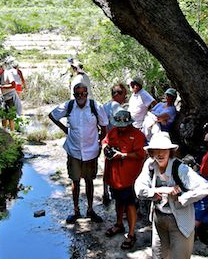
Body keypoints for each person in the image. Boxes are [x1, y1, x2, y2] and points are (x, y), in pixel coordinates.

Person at [135, 132, 208, 259]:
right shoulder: (150, 165)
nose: (160, 154)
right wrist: (160, 191)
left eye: (164, 150)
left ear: (171, 152)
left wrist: (183, 197)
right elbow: (139, 188)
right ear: (151, 152)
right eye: (156, 150)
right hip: (159, 219)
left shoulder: (180, 169)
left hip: (180, 224)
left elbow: (205, 187)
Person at [49, 83, 108, 224]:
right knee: (75, 180)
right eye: (77, 94)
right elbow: (52, 115)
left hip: (91, 151)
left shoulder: (96, 106)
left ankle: (90, 210)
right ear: (74, 95)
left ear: (87, 94)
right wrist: (65, 129)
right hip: (74, 151)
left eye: (83, 93)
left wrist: (99, 142)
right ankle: (76, 211)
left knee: (89, 180)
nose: (80, 96)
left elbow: (104, 127)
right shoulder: (69, 106)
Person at [102, 109, 146, 249]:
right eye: (118, 125)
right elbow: (104, 141)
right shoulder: (113, 132)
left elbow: (141, 154)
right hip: (115, 177)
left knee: (130, 204)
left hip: (130, 178)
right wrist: (106, 148)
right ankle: (119, 224)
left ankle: (131, 234)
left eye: (123, 126)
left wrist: (123, 155)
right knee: (118, 201)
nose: (120, 128)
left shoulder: (137, 135)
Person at [102, 83, 128, 205]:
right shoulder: (117, 107)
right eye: (124, 94)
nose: (125, 98)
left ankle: (105, 192)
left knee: (107, 167)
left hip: (106, 140)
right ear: (118, 94)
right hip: (117, 143)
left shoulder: (104, 105)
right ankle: (118, 198)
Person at [0, 61, 18, 132]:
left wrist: (2, 86)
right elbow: (0, 89)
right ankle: (4, 132)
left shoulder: (7, 73)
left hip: (10, 98)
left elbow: (13, 85)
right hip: (3, 98)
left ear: (0, 68)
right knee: (3, 116)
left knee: (10, 117)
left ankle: (12, 132)